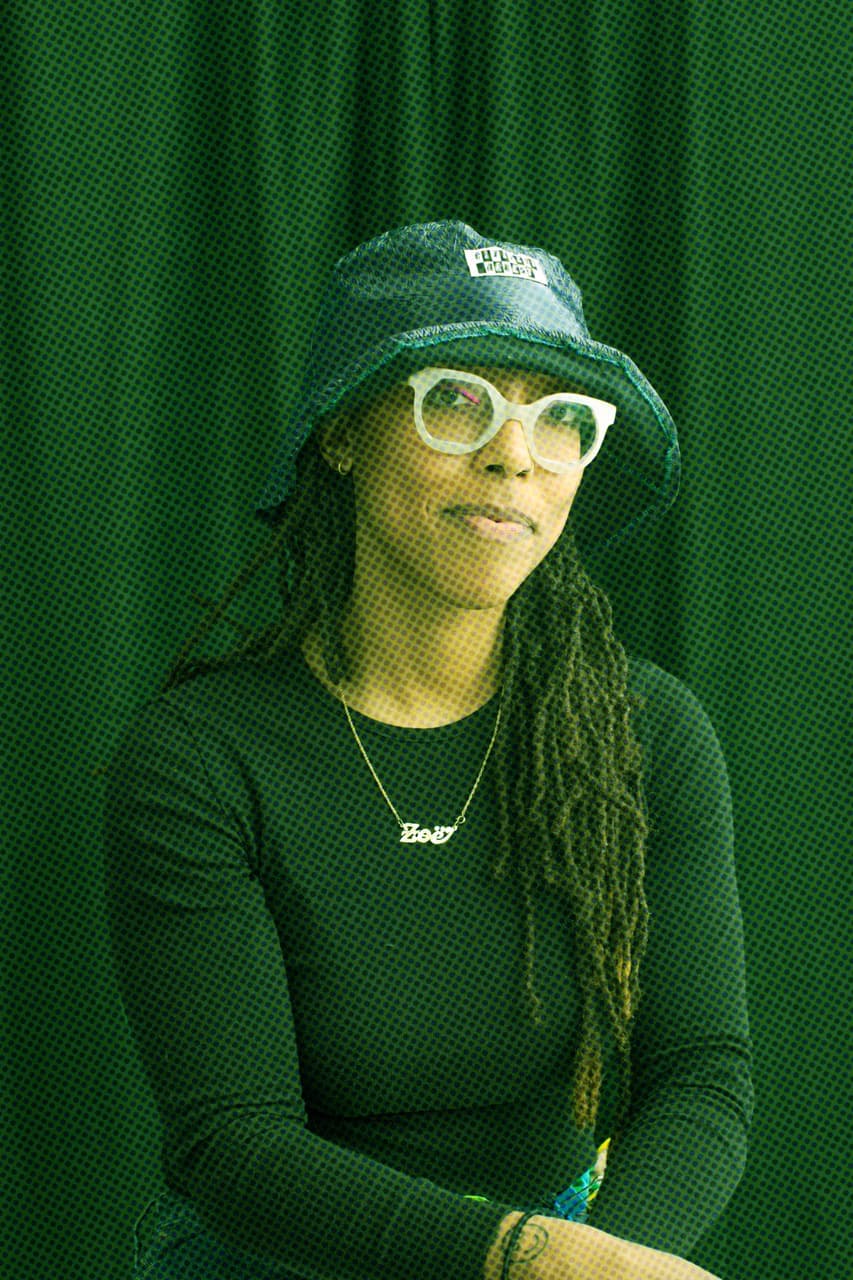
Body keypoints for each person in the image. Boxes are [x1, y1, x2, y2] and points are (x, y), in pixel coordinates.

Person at [104, 221, 753, 1280]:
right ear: (344, 431)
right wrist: (530, 1260)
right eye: (455, 398)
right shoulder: (199, 757)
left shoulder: (646, 733)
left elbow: (702, 1074)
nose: (513, 452)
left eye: (561, 421)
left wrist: (603, 1265)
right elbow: (233, 1146)